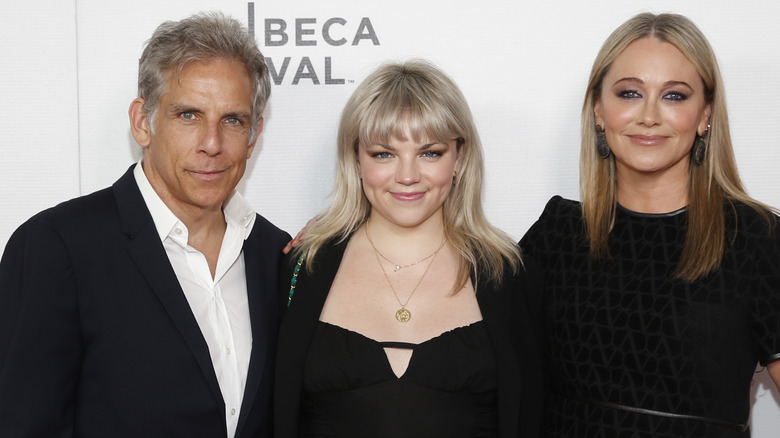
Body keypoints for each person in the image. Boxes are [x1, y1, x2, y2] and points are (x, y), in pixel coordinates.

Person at [0, 12, 290, 438]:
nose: (212, 144)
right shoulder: (57, 247)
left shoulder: (275, 253)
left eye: (232, 120)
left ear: (254, 134)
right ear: (142, 122)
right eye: (189, 115)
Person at [520, 12, 780, 438]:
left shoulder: (756, 239)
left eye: (674, 96)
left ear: (705, 115)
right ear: (599, 110)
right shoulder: (557, 234)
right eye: (629, 93)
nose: (649, 116)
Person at [274, 60, 544, 438]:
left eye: (429, 152)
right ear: (356, 158)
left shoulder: (508, 274)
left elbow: (532, 413)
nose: (407, 176)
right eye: (383, 153)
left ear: (459, 158)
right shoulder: (303, 268)